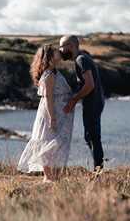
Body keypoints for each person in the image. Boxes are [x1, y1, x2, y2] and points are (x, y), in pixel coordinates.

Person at [17, 44, 75, 182]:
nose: (59, 52)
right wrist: (52, 118)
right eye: (55, 51)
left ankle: (52, 177)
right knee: (48, 144)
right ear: (49, 58)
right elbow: (48, 98)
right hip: (52, 114)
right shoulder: (49, 75)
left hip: (59, 113)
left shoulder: (54, 72)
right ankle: (49, 178)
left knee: (54, 144)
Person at [59, 35, 105, 171]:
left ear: (71, 46)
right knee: (91, 136)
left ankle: (98, 171)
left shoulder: (81, 60)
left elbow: (90, 85)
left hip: (93, 103)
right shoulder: (82, 57)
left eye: (62, 46)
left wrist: (74, 100)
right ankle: (98, 169)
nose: (60, 50)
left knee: (92, 137)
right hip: (96, 101)